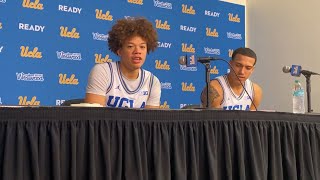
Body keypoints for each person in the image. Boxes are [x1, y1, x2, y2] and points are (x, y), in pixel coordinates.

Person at [85, 17, 161, 108]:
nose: (137, 51)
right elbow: (93, 118)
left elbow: (150, 121)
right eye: (130, 46)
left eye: (142, 47)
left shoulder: (152, 82)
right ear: (119, 51)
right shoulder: (103, 72)